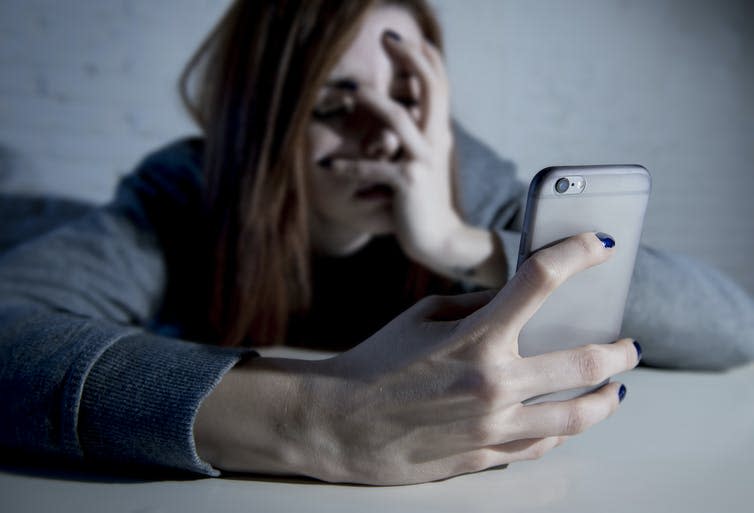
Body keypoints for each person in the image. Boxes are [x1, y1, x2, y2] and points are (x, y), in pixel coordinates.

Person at [0, 0, 752, 486]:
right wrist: (310, 416)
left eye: (409, 97)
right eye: (335, 104)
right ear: (258, 126)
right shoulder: (184, 189)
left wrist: (463, 240)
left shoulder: (461, 175)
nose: (386, 135)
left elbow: (732, 324)